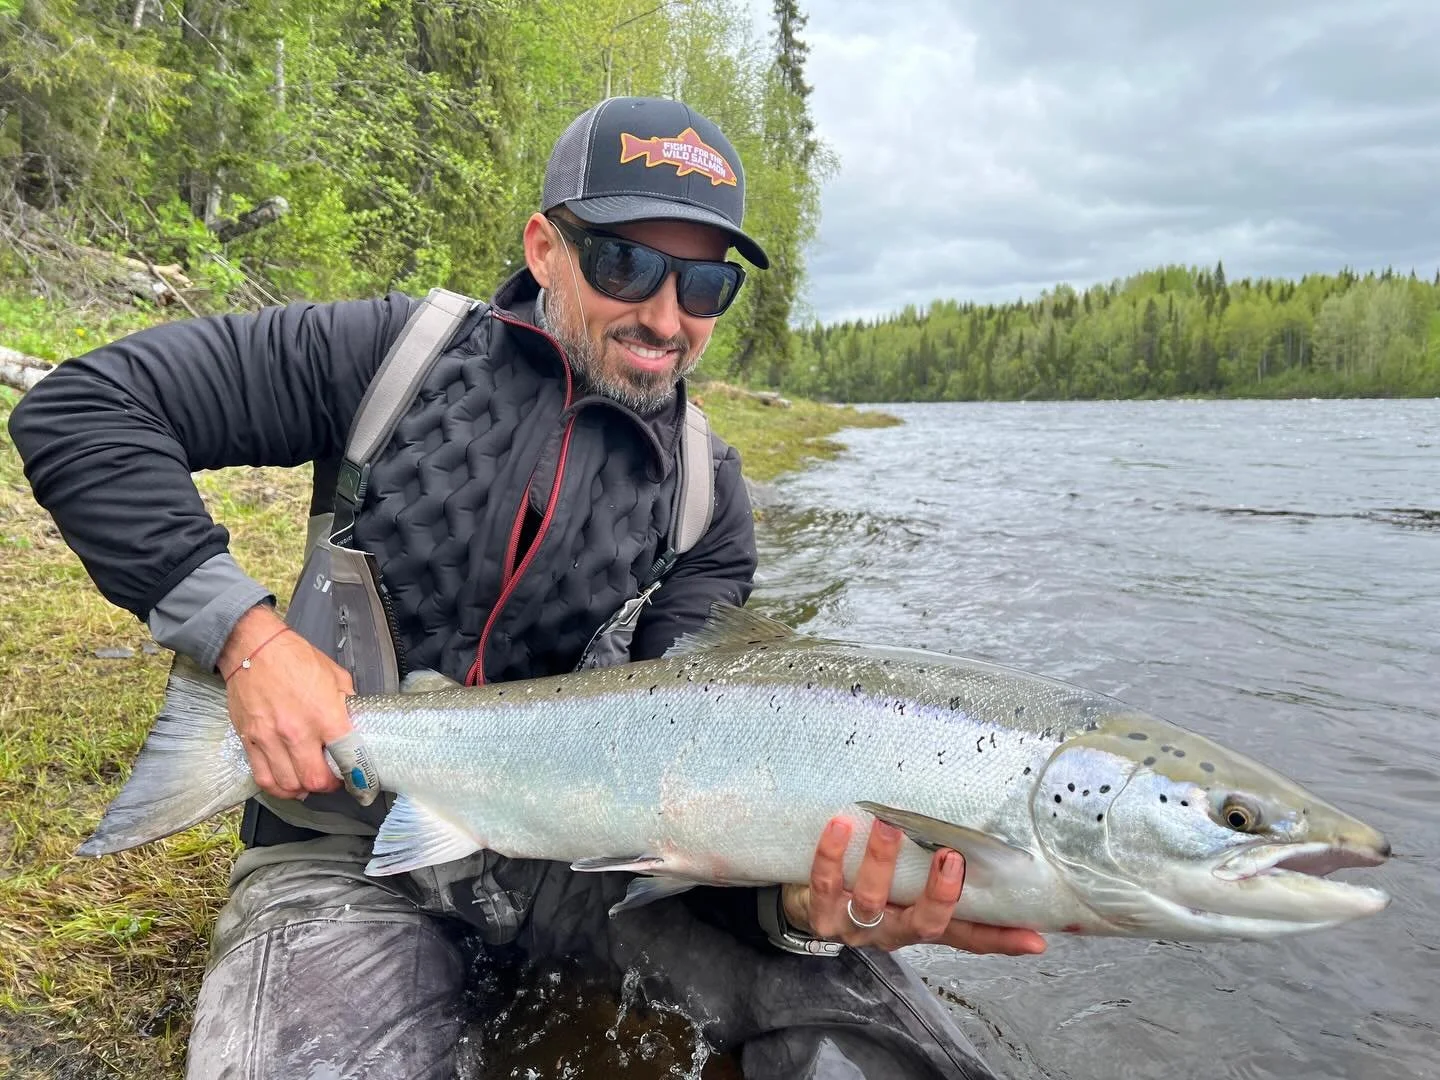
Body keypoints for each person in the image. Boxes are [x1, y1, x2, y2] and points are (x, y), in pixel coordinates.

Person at [9, 96, 1044, 1079]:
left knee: (883, 1032)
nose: (666, 314)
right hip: (340, 840)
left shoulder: (706, 499)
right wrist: (248, 642)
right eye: (627, 262)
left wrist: (803, 913)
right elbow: (86, 412)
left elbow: (705, 781)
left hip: (578, 864)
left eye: (705, 284)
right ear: (544, 246)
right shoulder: (385, 355)